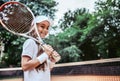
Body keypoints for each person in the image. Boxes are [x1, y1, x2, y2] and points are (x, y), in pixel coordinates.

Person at [21, 16, 61, 81]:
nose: (45, 30)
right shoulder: (30, 42)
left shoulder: (42, 46)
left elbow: (44, 70)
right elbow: (25, 66)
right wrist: (46, 54)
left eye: (47, 28)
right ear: (34, 27)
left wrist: (52, 61)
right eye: (42, 26)